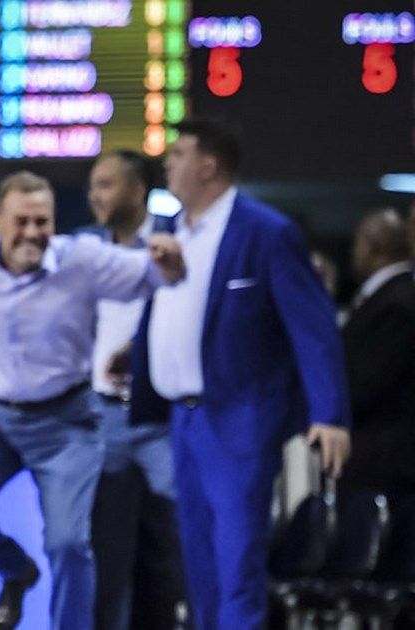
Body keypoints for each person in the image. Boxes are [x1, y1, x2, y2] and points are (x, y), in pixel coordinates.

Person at [0, 170, 186, 630]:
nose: (32, 233)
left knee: (69, 544)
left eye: (42, 222)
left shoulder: (80, 260)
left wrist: (168, 262)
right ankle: (15, 570)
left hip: (66, 423)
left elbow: (153, 274)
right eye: (21, 221)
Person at [126, 118, 350, 630]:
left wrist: (330, 414)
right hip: (182, 419)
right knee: (198, 569)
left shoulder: (266, 232)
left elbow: (313, 328)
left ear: (208, 166)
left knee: (236, 564)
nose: (167, 163)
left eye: (178, 154)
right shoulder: (172, 230)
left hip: (240, 418)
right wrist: (137, 351)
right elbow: (179, 312)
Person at [81, 151, 186, 630]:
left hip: (164, 417)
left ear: (138, 189)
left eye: (106, 184)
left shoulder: (176, 242)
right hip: (102, 417)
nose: (94, 195)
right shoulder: (86, 248)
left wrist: (141, 350)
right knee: (107, 553)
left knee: (178, 540)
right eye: (93, 185)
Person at [339, 209, 415, 499]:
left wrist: (326, 406)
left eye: (357, 243)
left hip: (385, 461)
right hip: (376, 456)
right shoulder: (385, 297)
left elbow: (368, 382)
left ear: (372, 245)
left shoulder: (398, 303)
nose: (354, 252)